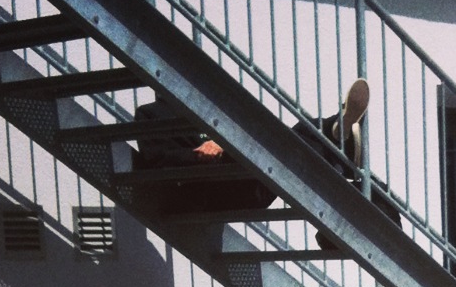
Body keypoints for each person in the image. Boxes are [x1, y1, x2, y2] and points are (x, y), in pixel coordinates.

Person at [131, 78, 372, 224]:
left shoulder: (203, 112)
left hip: (245, 175)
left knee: (288, 139)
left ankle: (337, 132)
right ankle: (340, 144)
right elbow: (156, 161)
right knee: (283, 146)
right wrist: (198, 154)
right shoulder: (151, 113)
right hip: (212, 191)